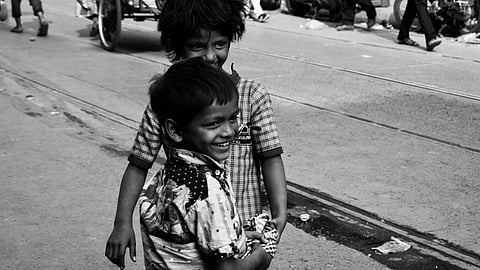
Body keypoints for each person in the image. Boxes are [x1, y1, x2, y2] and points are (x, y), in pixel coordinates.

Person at [105, 0, 287, 268]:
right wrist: (122, 223)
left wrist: (279, 214)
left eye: (220, 44)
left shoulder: (252, 95)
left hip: (240, 228)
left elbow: (270, 158)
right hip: (186, 235)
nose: (210, 56)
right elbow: (138, 164)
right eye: (197, 46)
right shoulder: (168, 101)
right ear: (176, 47)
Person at [134, 57, 276, 269]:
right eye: (214, 123)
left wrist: (235, 236)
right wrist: (263, 254)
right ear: (176, 130)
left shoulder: (167, 176)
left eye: (233, 118)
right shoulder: (207, 191)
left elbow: (182, 238)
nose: (229, 132)